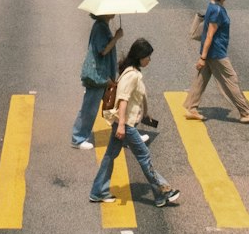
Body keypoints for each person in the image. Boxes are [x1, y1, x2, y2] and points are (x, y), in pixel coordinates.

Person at [89, 38, 180, 207]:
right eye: (148, 57)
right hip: (126, 124)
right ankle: (162, 191)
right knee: (144, 156)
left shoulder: (132, 72)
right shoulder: (131, 75)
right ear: (140, 57)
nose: (149, 60)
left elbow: (135, 98)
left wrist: (145, 113)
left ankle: (97, 190)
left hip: (124, 122)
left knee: (110, 155)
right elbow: (122, 101)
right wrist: (122, 125)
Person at [184, 0, 249, 123]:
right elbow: (209, 36)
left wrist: (204, 57)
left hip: (212, 53)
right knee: (231, 80)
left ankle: (192, 108)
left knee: (201, 79)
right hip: (216, 53)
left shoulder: (212, 5)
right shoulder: (217, 11)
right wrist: (203, 57)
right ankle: (245, 113)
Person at [71, 15, 123, 148]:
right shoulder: (100, 28)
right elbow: (103, 51)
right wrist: (116, 37)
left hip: (103, 74)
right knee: (89, 108)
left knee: (115, 105)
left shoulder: (103, 26)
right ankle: (78, 138)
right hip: (97, 75)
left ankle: (127, 134)